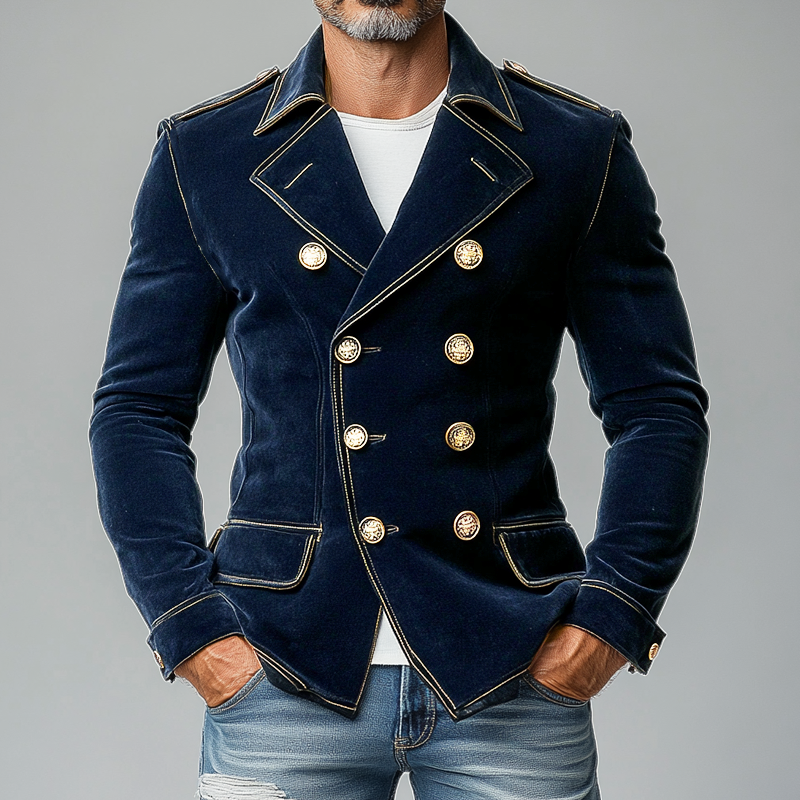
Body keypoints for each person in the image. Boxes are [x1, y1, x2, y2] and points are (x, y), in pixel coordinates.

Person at [90, 1, 709, 797]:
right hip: (283, 665)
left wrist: (612, 615)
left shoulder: (573, 146)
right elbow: (138, 409)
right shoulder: (208, 153)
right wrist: (190, 627)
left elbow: (657, 404)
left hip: (511, 662)